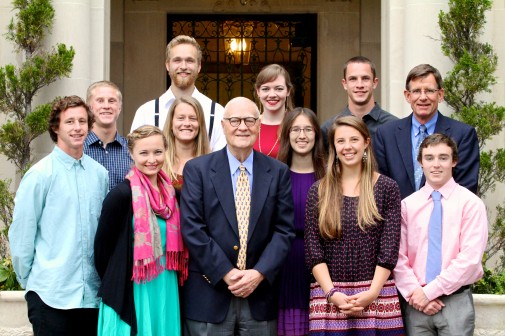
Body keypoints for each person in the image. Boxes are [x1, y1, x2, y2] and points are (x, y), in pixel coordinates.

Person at [180, 96, 295, 335]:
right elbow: (192, 228)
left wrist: (258, 273)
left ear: (259, 125)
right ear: (223, 125)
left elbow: (283, 231)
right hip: (208, 294)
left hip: (260, 296)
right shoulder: (197, 170)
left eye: (249, 120)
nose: (242, 127)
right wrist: (227, 272)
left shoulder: (277, 171)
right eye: (234, 120)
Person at [9, 96, 109, 336]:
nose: (77, 128)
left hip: (91, 298)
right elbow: (22, 235)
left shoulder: (100, 174)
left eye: (83, 121)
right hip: (50, 296)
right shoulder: (39, 176)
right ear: (56, 127)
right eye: (70, 121)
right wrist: (33, 283)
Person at [304, 116, 405, 335]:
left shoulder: (387, 188)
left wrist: (372, 293)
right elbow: (313, 250)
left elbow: (389, 249)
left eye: (354, 139)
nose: (347, 147)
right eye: (340, 141)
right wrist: (332, 293)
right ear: (333, 147)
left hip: (377, 296)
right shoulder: (319, 191)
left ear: (366, 143)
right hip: (330, 298)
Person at [94, 125, 188, 336]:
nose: (151, 159)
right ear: (131, 154)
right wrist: (118, 279)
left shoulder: (174, 197)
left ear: (166, 151)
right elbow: (102, 250)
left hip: (165, 285)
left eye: (157, 152)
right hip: (131, 286)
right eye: (143, 153)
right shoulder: (121, 196)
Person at [393, 133, 488, 335]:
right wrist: (416, 294)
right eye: (429, 158)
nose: (436, 164)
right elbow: (398, 256)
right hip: (416, 302)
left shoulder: (471, 204)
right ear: (420, 162)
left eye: (443, 158)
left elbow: (469, 259)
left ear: (454, 161)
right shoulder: (407, 206)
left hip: (455, 301)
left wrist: (430, 292)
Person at [374, 64, 479, 200]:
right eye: (417, 91)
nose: (423, 97)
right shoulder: (386, 134)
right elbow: (379, 186)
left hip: (445, 218)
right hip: (398, 218)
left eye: (429, 91)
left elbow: (466, 188)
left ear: (440, 95)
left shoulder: (463, 134)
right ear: (407, 96)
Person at [277, 107, 326, 336]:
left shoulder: (329, 176)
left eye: (308, 129)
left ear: (317, 134)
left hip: (323, 263)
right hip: (284, 263)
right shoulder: (275, 175)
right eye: (295, 129)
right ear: (287, 134)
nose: (302, 135)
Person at [131, 35, 226, 151]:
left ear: (199, 66)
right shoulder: (146, 112)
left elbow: (221, 163)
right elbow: (136, 158)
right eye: (177, 60)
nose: (183, 66)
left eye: (190, 61)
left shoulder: (217, 112)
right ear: (167, 65)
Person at [321, 56, 397, 150]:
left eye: (365, 78)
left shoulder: (394, 126)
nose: (359, 85)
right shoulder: (328, 128)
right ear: (345, 84)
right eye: (353, 79)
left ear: (375, 83)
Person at [84, 80, 132, 191]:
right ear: (89, 107)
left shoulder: (131, 150)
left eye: (112, 101)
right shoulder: (78, 149)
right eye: (100, 101)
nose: (106, 106)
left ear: (119, 108)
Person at [162, 95, 210, 199]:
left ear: (200, 124)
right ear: (171, 123)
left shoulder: (211, 164)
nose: (187, 123)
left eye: (193, 118)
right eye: (181, 118)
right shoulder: (158, 162)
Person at [253, 63, 294, 158]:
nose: (272, 94)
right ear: (258, 91)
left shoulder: (296, 125)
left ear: (288, 91)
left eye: (279, 89)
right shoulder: (250, 125)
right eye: (265, 89)